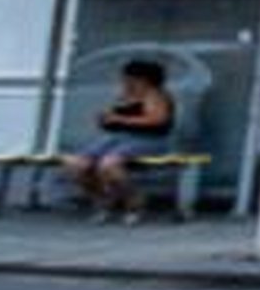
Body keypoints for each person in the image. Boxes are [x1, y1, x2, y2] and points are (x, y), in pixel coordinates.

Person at [64, 59, 180, 224]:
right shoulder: (125, 96)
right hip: (117, 138)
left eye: (130, 78)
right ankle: (102, 199)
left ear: (143, 79)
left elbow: (158, 120)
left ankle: (134, 200)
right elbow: (114, 118)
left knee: (108, 165)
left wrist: (121, 118)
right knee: (76, 164)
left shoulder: (155, 94)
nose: (125, 81)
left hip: (148, 140)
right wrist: (105, 120)